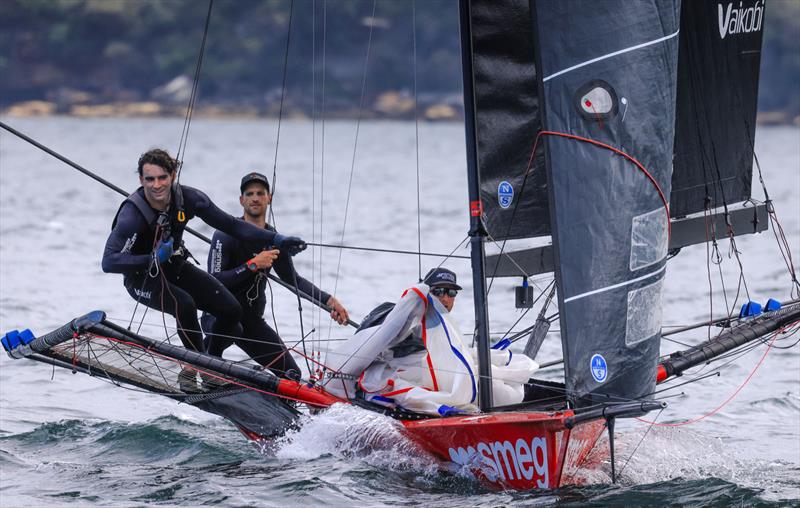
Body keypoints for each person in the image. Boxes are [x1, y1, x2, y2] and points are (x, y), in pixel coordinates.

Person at [102, 149, 307, 353]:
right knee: (185, 305)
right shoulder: (132, 216)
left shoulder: (190, 199)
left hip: (174, 266)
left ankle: (212, 362)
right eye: (150, 179)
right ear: (141, 179)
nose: (157, 185)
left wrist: (277, 239)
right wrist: (152, 258)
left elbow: (232, 226)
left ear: (173, 176)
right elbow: (109, 262)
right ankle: (199, 364)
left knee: (232, 311)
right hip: (141, 278)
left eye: (162, 178)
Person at [204, 171, 349, 378]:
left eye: (260, 193)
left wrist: (329, 301)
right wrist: (252, 265)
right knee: (231, 327)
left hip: (250, 321)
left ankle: (264, 407)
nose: (255, 198)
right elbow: (213, 282)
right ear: (241, 200)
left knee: (291, 375)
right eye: (250, 193)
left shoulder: (275, 240)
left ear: (269, 198)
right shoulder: (224, 235)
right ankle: (204, 363)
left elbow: (293, 280)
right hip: (218, 317)